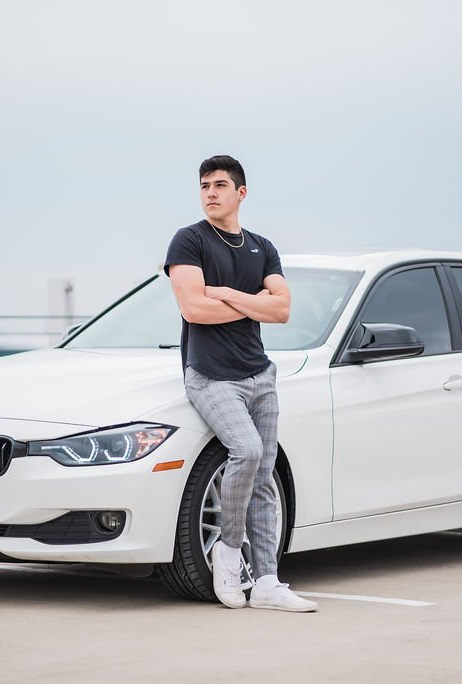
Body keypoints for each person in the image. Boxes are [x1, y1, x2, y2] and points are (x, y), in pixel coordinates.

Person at [164, 155, 318, 612]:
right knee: (247, 452)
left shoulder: (262, 247)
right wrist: (256, 303)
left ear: (241, 193)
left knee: (265, 479)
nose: (210, 193)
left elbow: (283, 310)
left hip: (260, 374)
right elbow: (195, 310)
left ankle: (268, 581)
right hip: (210, 375)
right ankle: (228, 554)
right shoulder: (189, 241)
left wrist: (228, 294)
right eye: (204, 186)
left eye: (220, 185)